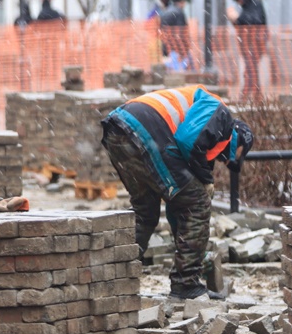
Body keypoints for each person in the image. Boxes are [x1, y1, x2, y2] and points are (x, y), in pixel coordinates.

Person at [101, 85, 253, 299]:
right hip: (146, 129)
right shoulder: (222, 114)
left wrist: (188, 246)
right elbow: (187, 140)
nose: (224, 161)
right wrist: (205, 182)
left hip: (119, 130)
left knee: (145, 213)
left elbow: (179, 205)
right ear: (239, 139)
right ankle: (185, 284)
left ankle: (112, 281)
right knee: (198, 203)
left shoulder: (206, 133)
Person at [228, 0, 269, 99]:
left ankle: (248, 92)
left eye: (238, 0)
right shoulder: (247, 7)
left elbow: (253, 20)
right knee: (251, 67)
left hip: (256, 42)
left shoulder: (255, 4)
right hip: (249, 43)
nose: (239, 3)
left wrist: (237, 17)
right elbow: (242, 24)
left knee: (250, 68)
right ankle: (254, 93)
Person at [157, 0, 190, 70]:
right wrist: (184, 48)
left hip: (166, 46)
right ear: (181, 2)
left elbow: (161, 29)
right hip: (177, 48)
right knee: (180, 70)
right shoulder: (179, 13)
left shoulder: (166, 12)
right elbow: (181, 32)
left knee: (170, 70)